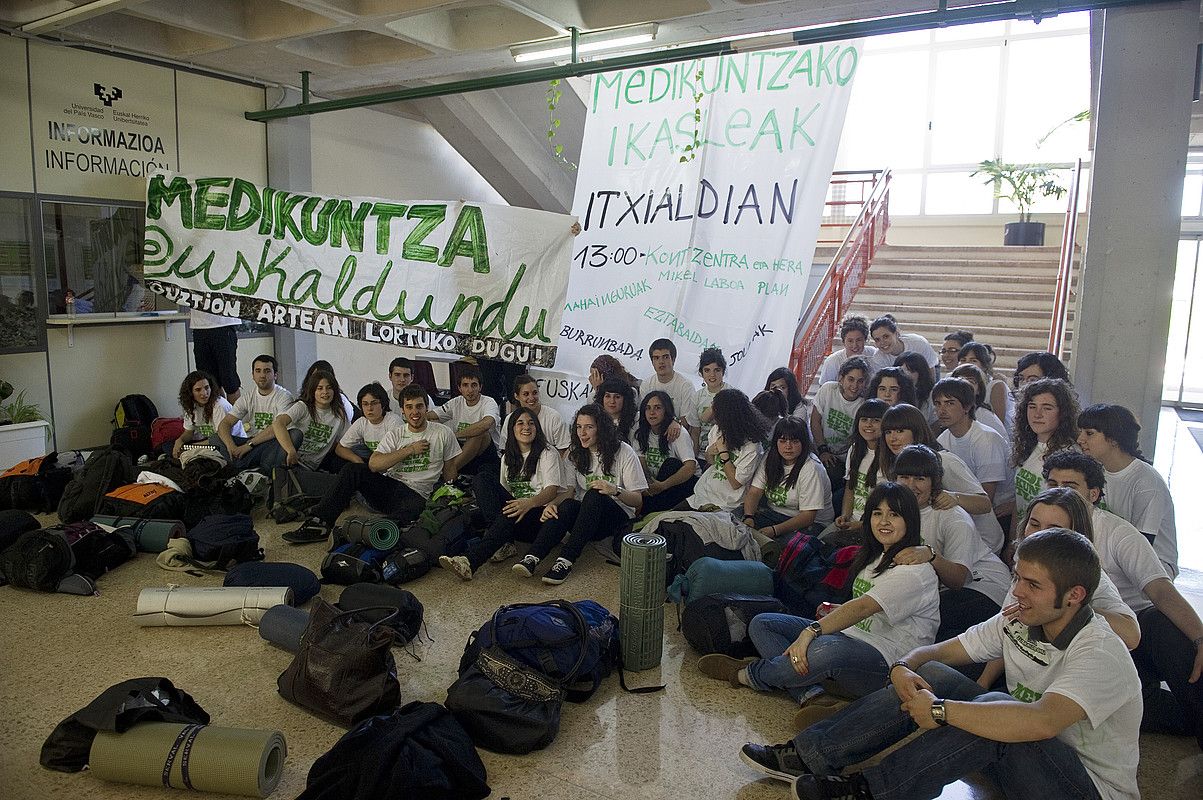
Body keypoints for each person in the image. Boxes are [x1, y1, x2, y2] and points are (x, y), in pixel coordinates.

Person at [767, 528, 1141, 800]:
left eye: (1032, 584)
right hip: (1019, 754)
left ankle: (874, 791)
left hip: (1084, 786)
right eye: (1016, 578)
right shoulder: (1021, 617)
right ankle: (810, 755)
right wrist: (903, 666)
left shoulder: (1101, 650)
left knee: (996, 707)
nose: (1018, 591)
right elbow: (939, 653)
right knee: (929, 675)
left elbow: (1041, 722)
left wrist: (942, 712)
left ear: (1074, 596)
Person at [701, 483, 939, 725]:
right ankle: (811, 694)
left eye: (894, 514)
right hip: (853, 637)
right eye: (877, 513)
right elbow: (865, 607)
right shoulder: (875, 556)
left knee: (826, 648)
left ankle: (746, 674)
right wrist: (834, 614)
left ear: (909, 519)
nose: (884, 521)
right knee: (764, 623)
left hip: (888, 664)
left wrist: (810, 631)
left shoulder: (914, 571)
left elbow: (863, 607)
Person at [1042, 450, 1203, 747]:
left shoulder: (1118, 534)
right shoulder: (1039, 530)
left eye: (1070, 486)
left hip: (1132, 636)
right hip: (1077, 644)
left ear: (1093, 494)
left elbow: (1161, 591)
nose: (1059, 493)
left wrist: (1200, 638)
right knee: (1117, 710)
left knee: (1159, 621)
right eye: (1052, 484)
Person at [286, 385, 461, 543]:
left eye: (419, 406)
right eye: (409, 407)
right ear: (402, 411)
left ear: (426, 407)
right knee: (353, 469)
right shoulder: (397, 434)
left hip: (418, 494)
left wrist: (451, 498)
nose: (414, 412)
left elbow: (450, 470)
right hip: (389, 487)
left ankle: (360, 533)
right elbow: (374, 465)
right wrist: (409, 450)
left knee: (408, 522)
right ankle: (321, 522)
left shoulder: (443, 433)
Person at [515, 404, 647, 585]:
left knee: (595, 494)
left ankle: (565, 560)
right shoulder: (574, 454)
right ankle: (532, 557)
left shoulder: (623, 451)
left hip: (616, 516)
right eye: (579, 427)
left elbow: (637, 500)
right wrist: (552, 504)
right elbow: (568, 492)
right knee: (567, 505)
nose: (582, 433)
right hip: (586, 517)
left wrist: (615, 490)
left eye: (589, 427)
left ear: (601, 428)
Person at [893, 445, 1012, 639]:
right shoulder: (895, 511)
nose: (911, 485)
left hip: (984, 585)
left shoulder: (952, 516)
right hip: (939, 588)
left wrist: (931, 556)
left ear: (934, 483)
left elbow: (957, 580)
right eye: (904, 477)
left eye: (920, 479)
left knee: (919, 617)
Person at [439, 409, 565, 581]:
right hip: (515, 516)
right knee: (481, 479)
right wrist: (515, 505)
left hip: (540, 517)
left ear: (537, 428)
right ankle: (504, 541)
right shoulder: (507, 458)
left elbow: (551, 490)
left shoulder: (547, 453)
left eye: (531, 423)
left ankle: (470, 561)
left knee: (509, 512)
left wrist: (528, 503)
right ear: (512, 429)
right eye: (520, 423)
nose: (526, 427)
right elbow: (505, 492)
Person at [877, 404, 1004, 554]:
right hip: (938, 543)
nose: (893, 438)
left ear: (916, 431)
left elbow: (984, 504)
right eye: (888, 432)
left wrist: (955, 497)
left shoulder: (944, 461)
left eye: (900, 431)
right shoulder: (895, 463)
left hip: (981, 547)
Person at [1077, 403, 1178, 578]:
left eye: (1089, 433)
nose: (1080, 439)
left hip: (1154, 564)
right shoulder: (1098, 470)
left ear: (1114, 439)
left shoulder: (1147, 483)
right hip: (1111, 553)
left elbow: (1142, 547)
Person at [933, 377, 1014, 538]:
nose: (941, 410)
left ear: (967, 407)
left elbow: (987, 499)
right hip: (963, 508)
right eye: (937, 403)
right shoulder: (943, 439)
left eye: (949, 403)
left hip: (999, 512)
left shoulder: (986, 439)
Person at [1011, 377, 1079, 541]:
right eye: (1032, 406)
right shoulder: (1027, 446)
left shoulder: (1068, 455)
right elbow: (1018, 499)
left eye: (1047, 408)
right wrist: (1012, 539)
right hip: (1024, 536)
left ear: (1062, 413)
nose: (1037, 414)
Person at [683, 389, 771, 513]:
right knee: (663, 518)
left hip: (726, 503)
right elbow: (711, 462)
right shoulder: (718, 430)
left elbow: (736, 483)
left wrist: (724, 453)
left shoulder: (752, 446)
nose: (713, 415)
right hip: (703, 493)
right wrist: (710, 452)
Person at [743, 416, 829, 540]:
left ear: (803, 443)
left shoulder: (812, 467)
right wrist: (748, 517)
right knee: (738, 521)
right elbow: (755, 491)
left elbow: (808, 516)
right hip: (774, 514)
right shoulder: (770, 457)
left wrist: (775, 530)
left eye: (794, 441)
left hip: (810, 523)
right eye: (782, 441)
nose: (788, 446)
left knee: (787, 547)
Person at [214, 354, 294, 469]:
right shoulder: (248, 397)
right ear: (253, 375)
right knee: (215, 437)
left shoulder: (284, 397)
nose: (262, 375)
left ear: (275, 375)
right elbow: (225, 424)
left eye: (267, 371)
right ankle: (239, 463)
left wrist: (249, 445)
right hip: (249, 442)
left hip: (270, 443)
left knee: (290, 437)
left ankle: (238, 466)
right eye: (258, 371)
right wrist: (231, 446)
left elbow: (276, 428)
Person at [265, 369, 349, 472]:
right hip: (286, 458)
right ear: (313, 391)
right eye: (320, 388)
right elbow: (278, 423)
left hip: (308, 467)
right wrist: (291, 450)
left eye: (329, 388)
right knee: (296, 434)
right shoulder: (303, 407)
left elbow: (342, 443)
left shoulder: (340, 415)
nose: (325, 392)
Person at [632, 391, 698, 514]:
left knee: (671, 463)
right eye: (648, 408)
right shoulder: (641, 433)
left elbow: (690, 468)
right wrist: (649, 485)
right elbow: (641, 462)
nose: (652, 412)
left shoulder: (677, 432)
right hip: (657, 484)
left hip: (682, 484)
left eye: (657, 408)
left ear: (666, 410)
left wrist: (663, 485)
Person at [430, 365, 500, 474]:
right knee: (433, 425)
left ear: (480, 387)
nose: (470, 390)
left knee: (480, 433)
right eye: (465, 385)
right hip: (462, 449)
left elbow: (486, 424)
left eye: (474, 385)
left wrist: (454, 435)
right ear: (459, 388)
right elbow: (431, 415)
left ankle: (446, 472)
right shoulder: (456, 402)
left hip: (487, 453)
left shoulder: (488, 402)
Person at [810, 357, 868, 479]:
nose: (855, 386)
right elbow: (815, 421)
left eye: (860, 381)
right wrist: (823, 450)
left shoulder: (864, 404)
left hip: (843, 457)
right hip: (819, 448)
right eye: (850, 379)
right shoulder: (828, 389)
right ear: (841, 378)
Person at [834, 399, 888, 531]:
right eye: (864, 420)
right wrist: (845, 516)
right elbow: (850, 487)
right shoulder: (854, 449)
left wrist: (860, 525)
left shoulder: (889, 456)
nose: (868, 425)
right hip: (852, 521)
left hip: (875, 525)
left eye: (875, 420)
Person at [172, 370, 242, 460]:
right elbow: (189, 432)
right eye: (198, 390)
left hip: (228, 443)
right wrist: (180, 441)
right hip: (206, 442)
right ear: (190, 392)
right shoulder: (191, 406)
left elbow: (219, 438)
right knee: (168, 445)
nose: (204, 393)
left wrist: (192, 447)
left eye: (206, 387)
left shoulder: (220, 405)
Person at [499, 374, 571, 452]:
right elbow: (505, 450)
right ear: (516, 396)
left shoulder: (554, 417)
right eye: (526, 394)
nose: (531, 398)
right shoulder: (509, 419)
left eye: (534, 393)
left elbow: (564, 449)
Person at [333, 383, 402, 462]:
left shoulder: (393, 422)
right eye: (365, 404)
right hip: (375, 462)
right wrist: (358, 461)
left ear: (383, 404)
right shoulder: (362, 422)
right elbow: (340, 448)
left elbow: (399, 454)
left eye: (374, 403)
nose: (369, 408)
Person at [640, 338, 695, 436]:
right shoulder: (646, 384)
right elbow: (644, 415)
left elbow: (687, 421)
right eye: (656, 358)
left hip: (677, 434)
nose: (661, 362)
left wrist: (676, 423)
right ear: (652, 362)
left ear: (673, 359)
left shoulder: (686, 385)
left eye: (665, 357)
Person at [958, 341, 1014, 431]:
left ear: (984, 366)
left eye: (973, 361)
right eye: (963, 360)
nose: (966, 364)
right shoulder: (954, 382)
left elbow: (998, 423)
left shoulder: (996, 385)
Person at [190, 308, 241, 404]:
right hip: (199, 326)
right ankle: (219, 416)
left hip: (224, 323)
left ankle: (236, 418)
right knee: (209, 381)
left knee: (229, 380)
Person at [689, 347, 730, 456]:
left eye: (717, 370)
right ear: (701, 373)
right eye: (707, 370)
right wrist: (695, 458)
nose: (712, 375)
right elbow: (695, 431)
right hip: (702, 454)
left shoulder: (732, 394)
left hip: (724, 454)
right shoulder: (697, 396)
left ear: (723, 371)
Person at [868, 314, 938, 375]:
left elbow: (930, 369)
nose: (882, 342)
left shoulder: (918, 343)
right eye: (877, 340)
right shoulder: (878, 358)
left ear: (896, 333)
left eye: (886, 336)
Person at [949, 363, 1006, 436]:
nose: (964, 385)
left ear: (979, 389)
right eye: (959, 380)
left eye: (971, 381)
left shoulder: (984, 416)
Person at [818, 316, 879, 385]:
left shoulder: (873, 354)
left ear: (865, 340)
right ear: (843, 341)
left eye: (859, 340)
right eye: (850, 341)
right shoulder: (832, 361)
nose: (854, 345)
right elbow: (824, 389)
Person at [893, 351, 935, 424]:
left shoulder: (931, 395)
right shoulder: (891, 393)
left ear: (921, 373)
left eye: (911, 371)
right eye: (902, 371)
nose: (906, 375)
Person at [594, 377, 637, 444]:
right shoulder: (594, 419)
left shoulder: (636, 420)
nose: (612, 401)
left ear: (625, 399)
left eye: (617, 397)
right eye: (607, 396)